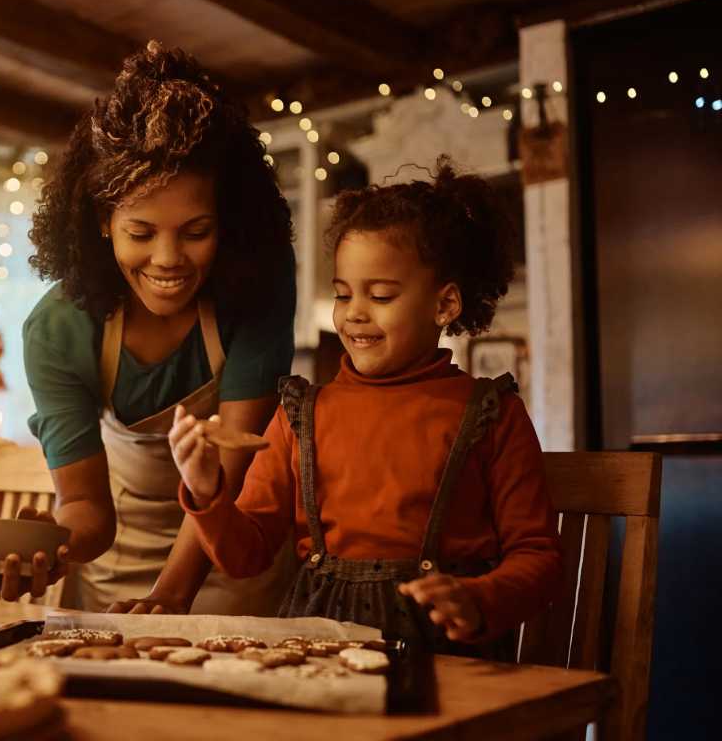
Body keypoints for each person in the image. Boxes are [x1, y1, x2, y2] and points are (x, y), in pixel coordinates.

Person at [171, 159, 561, 653]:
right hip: (318, 655)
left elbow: (540, 559)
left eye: (380, 295)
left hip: (442, 658)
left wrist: (477, 598)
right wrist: (206, 491)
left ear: (444, 306)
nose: (354, 313)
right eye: (343, 293)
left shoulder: (491, 413)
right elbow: (245, 556)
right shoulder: (301, 416)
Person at [0, 40, 298, 613]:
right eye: (141, 233)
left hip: (238, 549)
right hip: (122, 571)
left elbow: (235, 469)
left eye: (195, 232)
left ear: (229, 222)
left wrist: (169, 596)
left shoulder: (256, 290)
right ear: (100, 220)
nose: (168, 259)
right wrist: (56, 545)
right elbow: (88, 510)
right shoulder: (58, 329)